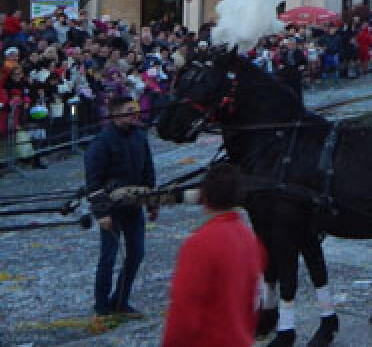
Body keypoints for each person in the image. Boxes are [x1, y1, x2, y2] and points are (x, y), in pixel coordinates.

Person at [162, 163, 265, 346]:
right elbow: (253, 307)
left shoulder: (199, 245)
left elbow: (183, 315)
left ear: (204, 196)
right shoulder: (251, 241)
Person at [85, 94, 157, 317]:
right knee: (108, 257)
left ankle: (121, 300)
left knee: (136, 253)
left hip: (134, 206)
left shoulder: (139, 136)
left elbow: (148, 172)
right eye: (128, 109)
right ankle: (102, 306)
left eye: (134, 109)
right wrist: (101, 213)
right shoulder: (101, 143)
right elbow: (93, 181)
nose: (133, 113)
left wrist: (152, 203)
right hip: (111, 208)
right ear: (115, 113)